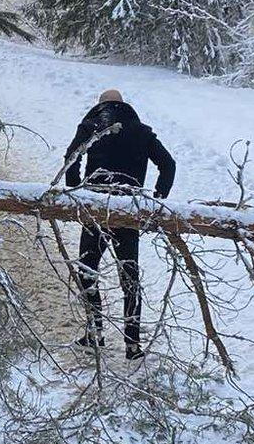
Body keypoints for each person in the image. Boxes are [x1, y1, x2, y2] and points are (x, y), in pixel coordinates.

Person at [62, 88, 175, 360]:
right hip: (129, 209)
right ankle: (132, 345)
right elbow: (168, 165)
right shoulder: (142, 131)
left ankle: (95, 332)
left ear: (100, 105)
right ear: (125, 105)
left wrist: (77, 188)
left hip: (97, 208)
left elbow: (71, 157)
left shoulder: (91, 126)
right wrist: (157, 199)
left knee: (88, 269)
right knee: (129, 278)